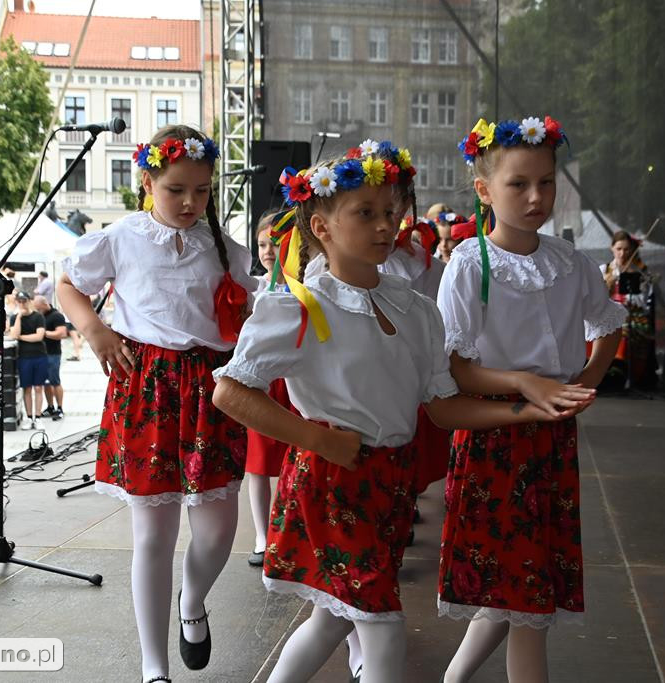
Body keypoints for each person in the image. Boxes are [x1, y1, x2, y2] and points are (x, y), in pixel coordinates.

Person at [211, 140, 584, 683]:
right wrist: (316, 440)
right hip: (330, 482)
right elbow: (232, 392)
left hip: (389, 484)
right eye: (365, 213)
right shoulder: (298, 304)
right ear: (321, 227)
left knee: (332, 621)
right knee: (381, 627)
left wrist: (526, 412)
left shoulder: (415, 309)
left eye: (391, 212)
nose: (386, 226)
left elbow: (443, 407)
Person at [58, 124, 255, 683]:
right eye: (176, 189)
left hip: (209, 389)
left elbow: (251, 310)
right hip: (146, 387)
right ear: (147, 182)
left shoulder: (226, 248)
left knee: (217, 529)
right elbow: (68, 285)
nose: (191, 201)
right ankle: (154, 668)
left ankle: (192, 603)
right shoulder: (121, 237)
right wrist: (94, 328)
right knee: (154, 533)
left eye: (202, 189)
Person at [437, 116, 625, 683]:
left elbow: (610, 324)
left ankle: (452, 678)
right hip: (494, 438)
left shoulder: (572, 262)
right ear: (484, 190)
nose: (537, 196)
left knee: (524, 585)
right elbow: (454, 370)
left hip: (550, 440)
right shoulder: (470, 264)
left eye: (547, 182)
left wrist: (584, 381)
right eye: (519, 184)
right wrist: (525, 383)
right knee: (526, 602)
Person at [242, 211, 296, 568]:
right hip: (261, 382)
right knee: (258, 465)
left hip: (294, 383)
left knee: (295, 458)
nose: (267, 251)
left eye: (275, 244)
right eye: (262, 244)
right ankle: (262, 535)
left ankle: (289, 533)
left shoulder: (302, 286)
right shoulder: (254, 287)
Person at [600, 230, 656, 387]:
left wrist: (633, 282)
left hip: (632, 315)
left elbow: (644, 302)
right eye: (619, 249)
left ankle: (619, 368)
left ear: (632, 251)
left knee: (624, 329)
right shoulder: (604, 270)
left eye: (626, 249)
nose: (622, 253)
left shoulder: (640, 272)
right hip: (607, 313)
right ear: (612, 248)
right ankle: (600, 370)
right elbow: (594, 298)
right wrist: (609, 283)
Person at [9, 292, 48, 430]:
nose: (22, 303)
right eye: (19, 301)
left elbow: (39, 336)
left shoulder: (38, 317)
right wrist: (19, 316)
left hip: (39, 355)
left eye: (24, 300)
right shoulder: (14, 317)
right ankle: (28, 416)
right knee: (27, 388)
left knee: (38, 387)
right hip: (24, 357)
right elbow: (13, 335)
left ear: (29, 301)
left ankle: (37, 417)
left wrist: (21, 337)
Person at [33, 294, 68, 420]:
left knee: (55, 381)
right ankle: (50, 406)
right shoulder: (39, 316)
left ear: (44, 304)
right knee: (45, 383)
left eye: (39, 308)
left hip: (53, 353)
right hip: (40, 353)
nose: (38, 311)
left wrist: (45, 333)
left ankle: (60, 408)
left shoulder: (56, 316)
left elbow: (62, 333)